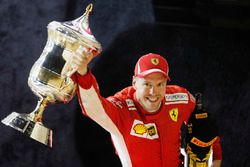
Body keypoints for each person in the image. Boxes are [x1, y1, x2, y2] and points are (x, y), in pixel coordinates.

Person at [70, 50, 222, 167]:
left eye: (159, 84)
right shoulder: (121, 107)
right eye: (147, 84)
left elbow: (208, 132)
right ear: (135, 83)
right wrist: (83, 73)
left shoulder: (181, 98)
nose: (153, 92)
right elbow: (94, 108)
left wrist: (214, 160)